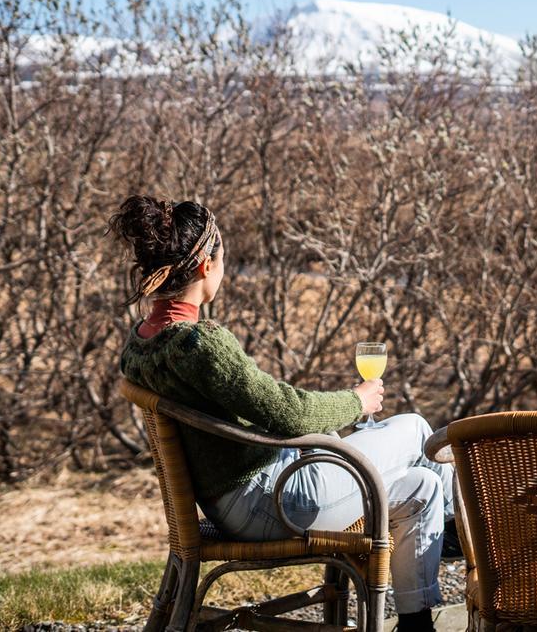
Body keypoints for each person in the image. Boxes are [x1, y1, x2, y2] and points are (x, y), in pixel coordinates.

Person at [110, 195, 453, 632]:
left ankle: (416, 621)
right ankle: (469, 533)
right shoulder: (199, 345)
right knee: (415, 429)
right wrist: (357, 400)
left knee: (420, 486)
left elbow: (268, 411)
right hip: (272, 501)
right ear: (204, 267)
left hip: (233, 500)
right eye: (222, 259)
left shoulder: (142, 342)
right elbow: (287, 412)